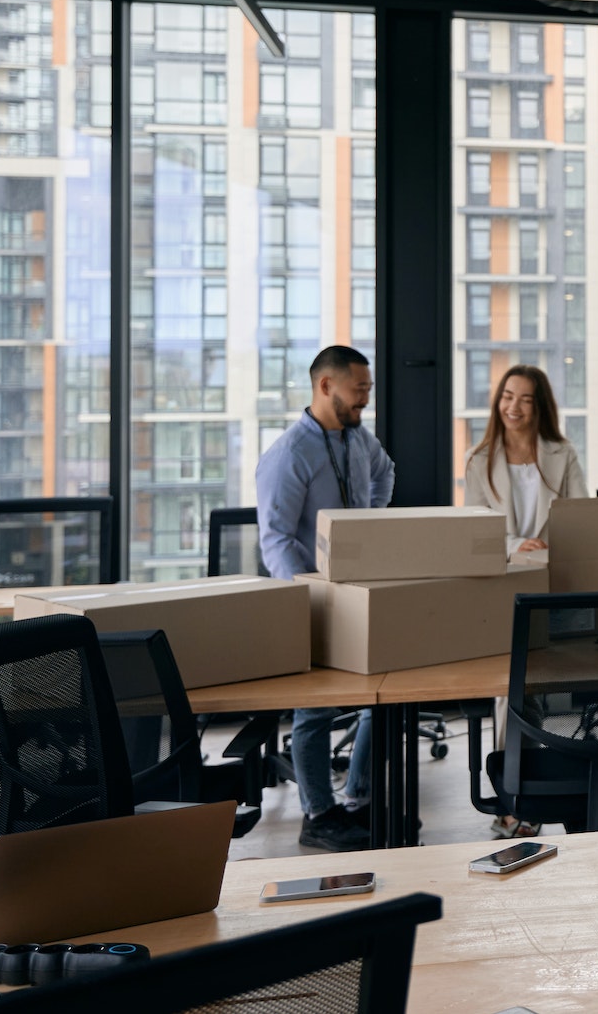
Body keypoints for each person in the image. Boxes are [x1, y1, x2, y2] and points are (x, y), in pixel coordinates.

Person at [255, 344, 394, 853]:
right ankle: (318, 815)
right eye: (359, 391)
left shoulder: (358, 439)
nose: (364, 400)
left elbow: (385, 473)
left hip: (358, 591)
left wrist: (369, 528)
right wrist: (309, 594)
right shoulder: (289, 454)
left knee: (380, 698)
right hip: (312, 596)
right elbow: (274, 538)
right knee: (313, 712)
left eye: (368, 391)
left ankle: (357, 797)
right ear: (326, 386)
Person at [463, 364, 589, 554]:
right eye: (507, 397)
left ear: (540, 407)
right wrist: (515, 546)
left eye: (526, 400)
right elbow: (475, 530)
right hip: (503, 570)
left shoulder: (564, 454)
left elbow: (583, 518)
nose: (513, 407)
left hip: (556, 564)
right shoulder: (478, 460)